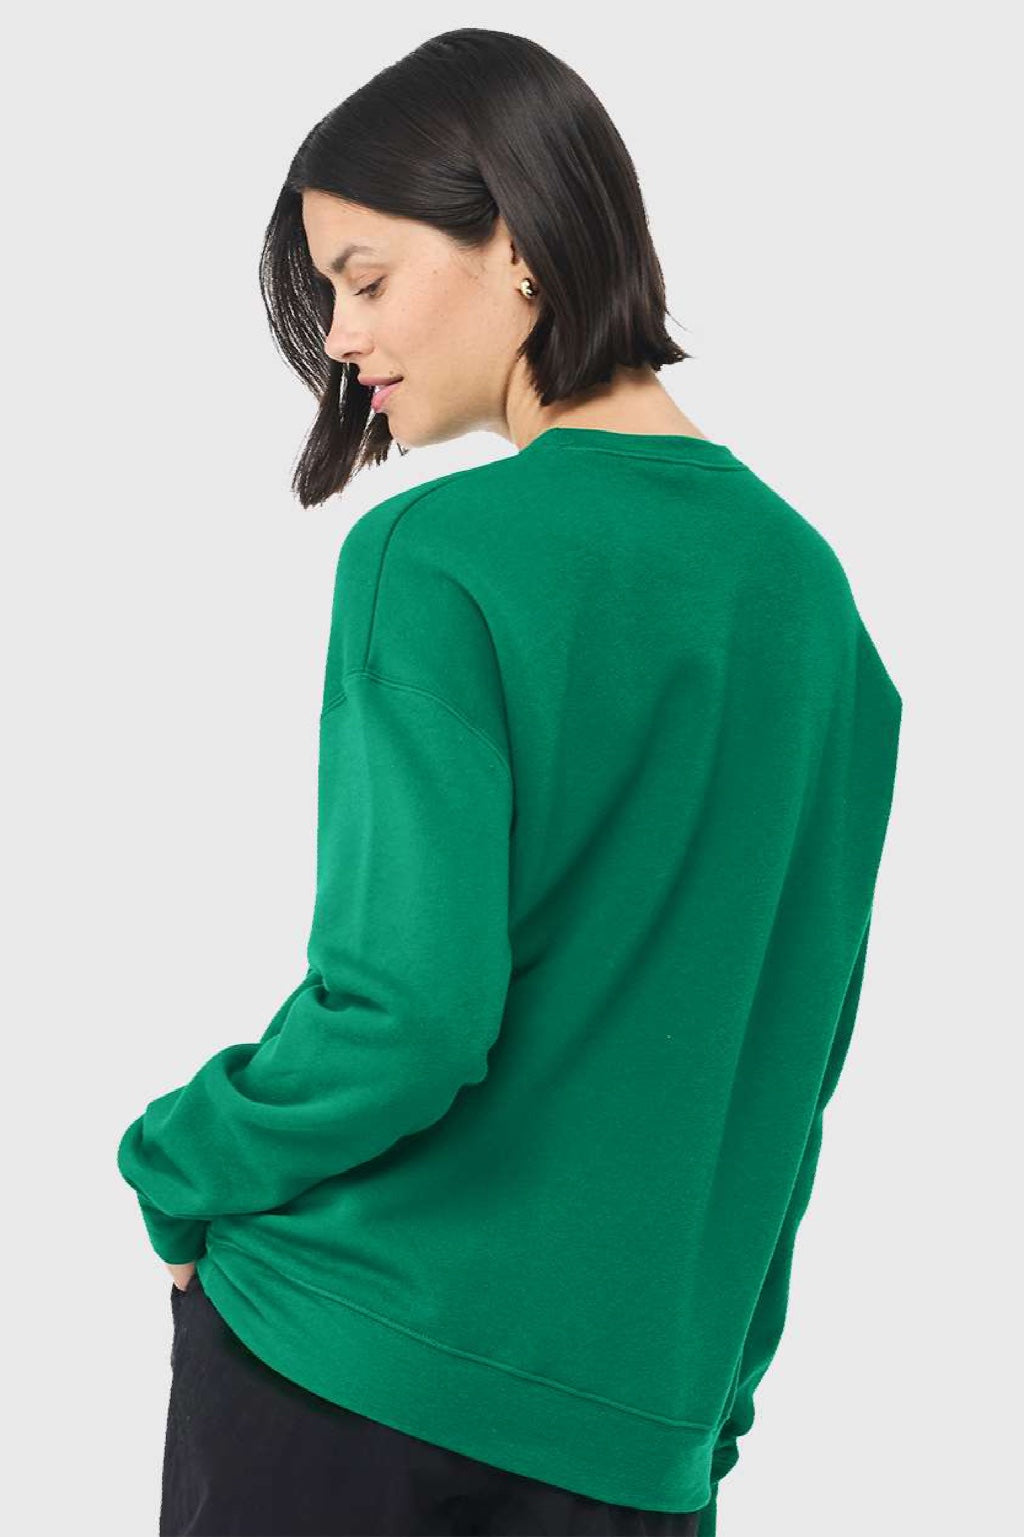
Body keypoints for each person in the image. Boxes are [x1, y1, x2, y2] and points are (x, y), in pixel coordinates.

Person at [116, 26, 903, 1537]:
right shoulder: (815, 601)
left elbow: (404, 1018)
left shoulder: (437, 555)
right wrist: (709, 1399)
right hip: (633, 1432)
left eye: (366, 278)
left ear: (523, 244)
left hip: (347, 1370)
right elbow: (791, 1060)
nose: (342, 337)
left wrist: (175, 1157)